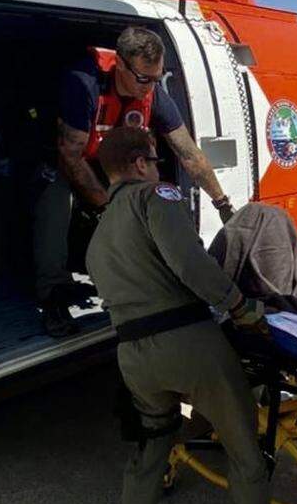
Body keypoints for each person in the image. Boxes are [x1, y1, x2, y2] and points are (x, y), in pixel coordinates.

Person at [84, 126, 278, 504]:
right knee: (242, 447)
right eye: (154, 160)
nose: (157, 168)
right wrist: (241, 307)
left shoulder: (98, 234)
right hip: (189, 344)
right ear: (137, 164)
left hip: (134, 358)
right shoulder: (156, 198)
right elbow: (191, 264)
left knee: (151, 447)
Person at [34, 26, 236, 336]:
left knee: (153, 193)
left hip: (109, 164)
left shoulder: (153, 93)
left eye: (156, 78)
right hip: (69, 161)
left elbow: (189, 153)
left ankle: (154, 279)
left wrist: (223, 204)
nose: (149, 88)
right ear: (120, 65)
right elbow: (70, 155)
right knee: (55, 199)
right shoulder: (83, 83)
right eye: (143, 79)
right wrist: (110, 207)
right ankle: (53, 292)